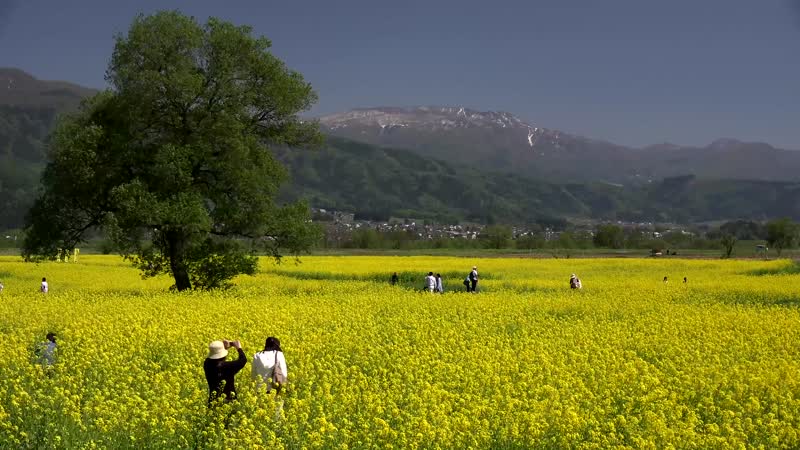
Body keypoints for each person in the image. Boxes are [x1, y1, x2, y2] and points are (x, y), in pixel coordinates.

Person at [203, 339, 247, 406]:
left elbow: (213, 358)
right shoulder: (227, 367)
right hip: (228, 402)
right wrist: (239, 348)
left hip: (213, 401)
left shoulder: (207, 364)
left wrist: (223, 348)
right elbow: (243, 360)